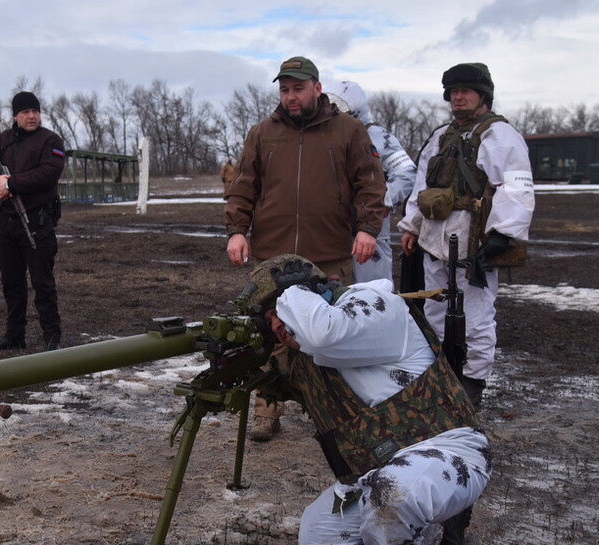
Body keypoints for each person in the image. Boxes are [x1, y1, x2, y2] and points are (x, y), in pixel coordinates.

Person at [243, 254, 490, 545]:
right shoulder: (307, 356)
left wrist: (295, 291)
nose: (281, 326)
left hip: (450, 452)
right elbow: (293, 365)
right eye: (271, 323)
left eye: (282, 312)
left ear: (313, 293)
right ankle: (431, 530)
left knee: (395, 491)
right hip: (376, 472)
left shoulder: (376, 305)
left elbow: (325, 333)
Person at [223, 56, 388, 440]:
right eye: (284, 89)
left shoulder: (348, 131)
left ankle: (334, 414)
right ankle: (268, 410)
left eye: (298, 88)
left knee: (331, 335)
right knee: (270, 333)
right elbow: (244, 186)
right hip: (273, 256)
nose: (291, 96)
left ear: (317, 88)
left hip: (329, 250)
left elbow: (370, 183)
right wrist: (236, 230)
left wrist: (367, 229)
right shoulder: (263, 133)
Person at [398, 63, 534, 407]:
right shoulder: (440, 136)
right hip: (434, 240)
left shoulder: (500, 136)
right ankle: (440, 374)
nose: (458, 97)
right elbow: (421, 187)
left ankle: (472, 382)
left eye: (466, 91)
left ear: (483, 95)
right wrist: (411, 226)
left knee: (476, 317)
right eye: (453, 92)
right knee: (433, 310)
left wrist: (503, 234)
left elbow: (516, 186)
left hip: (474, 243)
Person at [0, 91, 66, 352]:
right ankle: (14, 334)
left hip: (37, 221)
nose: (31, 116)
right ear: (15, 115)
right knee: (11, 283)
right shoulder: (2, 141)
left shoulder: (50, 140)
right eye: (25, 112)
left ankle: (52, 336)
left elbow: (49, 172)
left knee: (43, 282)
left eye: (35, 111)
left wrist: (12, 184)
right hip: (6, 222)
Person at [322, 81, 417, 284]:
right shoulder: (324, 138)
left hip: (370, 229)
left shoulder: (378, 138)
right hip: (330, 229)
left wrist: (383, 199)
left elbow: (407, 171)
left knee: (372, 294)